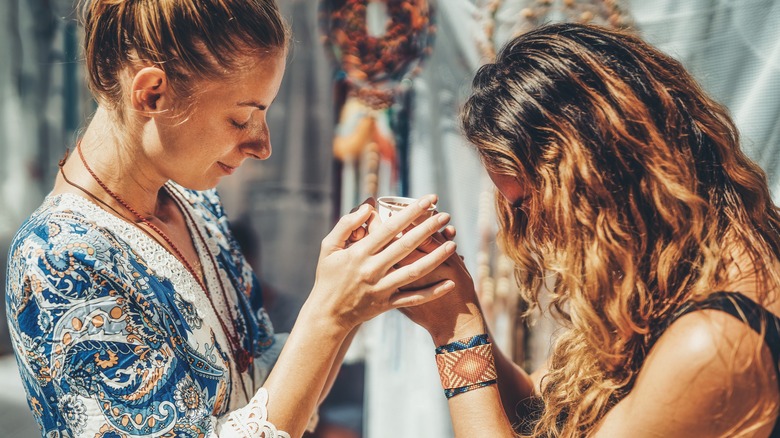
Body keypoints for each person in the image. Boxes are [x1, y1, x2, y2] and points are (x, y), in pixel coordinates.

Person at [3, 1, 458, 437]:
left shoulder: (194, 204)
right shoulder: (59, 258)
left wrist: (358, 291)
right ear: (152, 93)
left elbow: (263, 386)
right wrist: (330, 314)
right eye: (242, 119)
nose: (263, 146)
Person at [401, 23, 780, 437]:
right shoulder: (671, 263)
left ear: (594, 179)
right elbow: (538, 409)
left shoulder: (714, 341)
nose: (531, 234)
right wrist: (459, 304)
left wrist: (455, 334)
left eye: (527, 204)